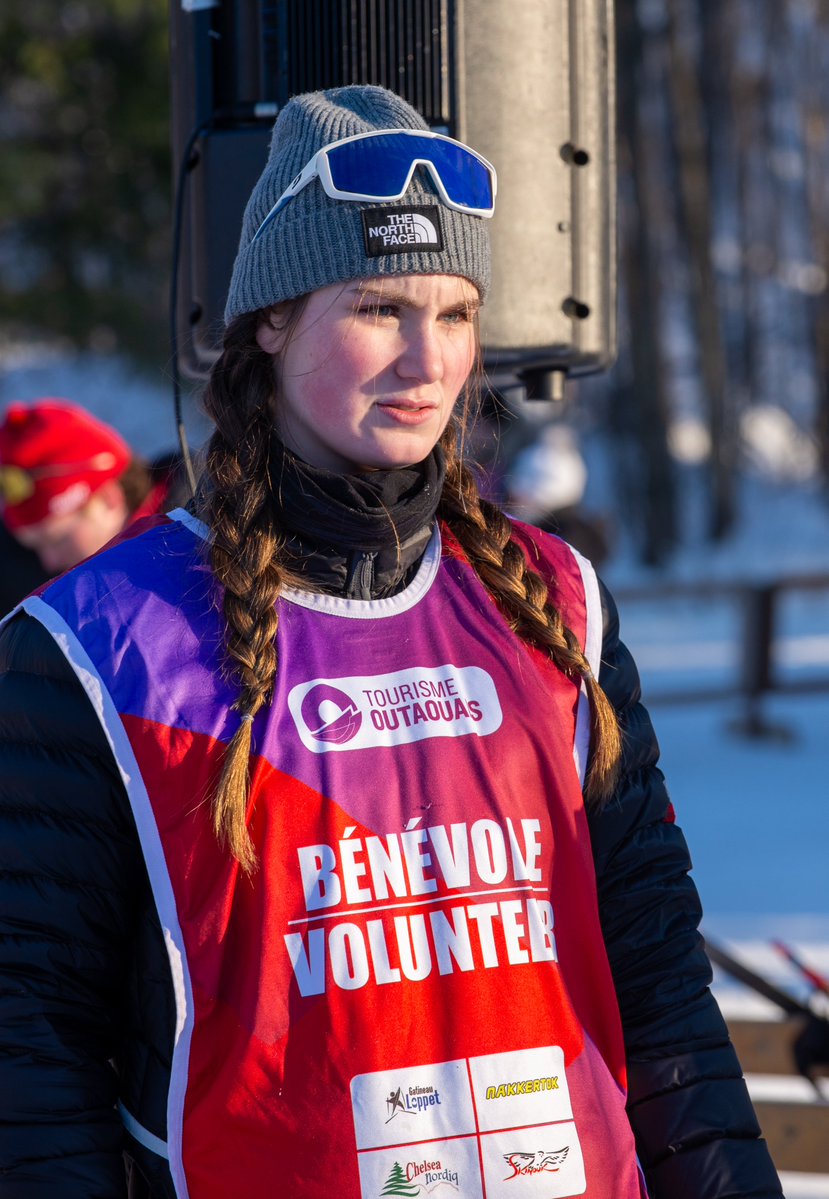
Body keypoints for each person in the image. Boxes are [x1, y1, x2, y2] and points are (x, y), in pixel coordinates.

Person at [0, 86, 782, 1199]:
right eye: (378, 306)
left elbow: (656, 981)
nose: (428, 360)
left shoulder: (556, 602)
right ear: (271, 320)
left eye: (455, 314)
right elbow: (29, 1048)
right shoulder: (95, 645)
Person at [0, 398, 190, 613]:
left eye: (58, 540)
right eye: (37, 547)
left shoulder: (205, 536)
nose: (49, 562)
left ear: (108, 500)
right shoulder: (25, 568)